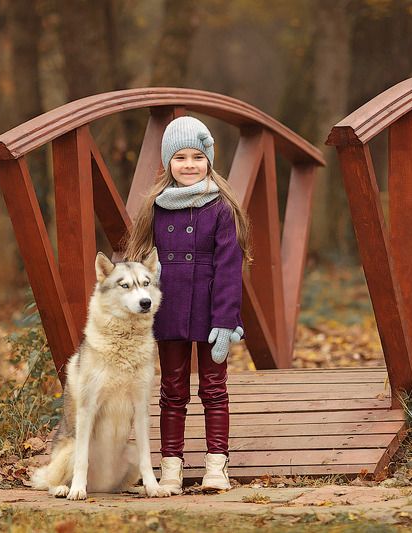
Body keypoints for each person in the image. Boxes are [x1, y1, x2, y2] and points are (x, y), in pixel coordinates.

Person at [124, 116, 252, 493]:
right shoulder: (156, 207)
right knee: (173, 390)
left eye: (198, 156)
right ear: (167, 164)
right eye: (180, 157)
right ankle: (172, 468)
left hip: (213, 312)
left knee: (214, 388)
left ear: (209, 161)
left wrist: (227, 321)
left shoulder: (222, 209)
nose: (190, 164)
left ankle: (216, 466)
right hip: (170, 311)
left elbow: (230, 269)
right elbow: (139, 259)